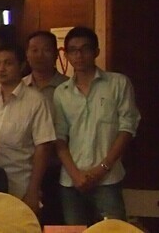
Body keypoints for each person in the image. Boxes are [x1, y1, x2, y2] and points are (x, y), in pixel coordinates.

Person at [53, 26, 140, 225]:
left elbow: (127, 128)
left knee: (113, 230)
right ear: (66, 55)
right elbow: (59, 138)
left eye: (85, 49)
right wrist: (76, 174)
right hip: (71, 181)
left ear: (96, 51)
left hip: (108, 178)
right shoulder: (61, 92)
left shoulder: (118, 83)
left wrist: (101, 169)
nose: (79, 55)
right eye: (73, 50)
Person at [0, 43, 56, 211]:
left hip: (19, 185)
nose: (1, 68)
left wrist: (33, 190)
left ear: (22, 65)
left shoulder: (36, 101)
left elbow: (43, 148)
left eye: (8, 63)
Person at [22, 30, 68, 224]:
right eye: (34, 50)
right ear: (27, 54)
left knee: (55, 223)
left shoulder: (68, 88)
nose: (39, 55)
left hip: (59, 169)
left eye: (46, 50)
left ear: (57, 54)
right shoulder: (19, 88)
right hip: (25, 169)